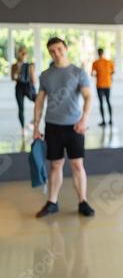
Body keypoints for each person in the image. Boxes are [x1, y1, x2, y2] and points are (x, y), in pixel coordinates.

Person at [33, 37, 95, 218]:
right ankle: (52, 202)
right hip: (53, 126)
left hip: (75, 126)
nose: (56, 53)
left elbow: (88, 97)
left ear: (66, 49)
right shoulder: (45, 75)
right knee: (55, 165)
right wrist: (36, 126)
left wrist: (84, 120)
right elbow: (39, 101)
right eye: (52, 51)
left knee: (77, 164)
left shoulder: (78, 72)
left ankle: (83, 201)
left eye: (59, 49)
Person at [11, 46, 37, 135]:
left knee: (39, 103)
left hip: (28, 87)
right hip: (19, 87)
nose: (22, 55)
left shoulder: (30, 65)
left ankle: (32, 123)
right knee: (21, 108)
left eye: (23, 53)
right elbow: (13, 78)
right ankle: (23, 129)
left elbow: (33, 80)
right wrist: (17, 74)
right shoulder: (14, 66)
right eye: (21, 53)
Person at [91, 48, 114, 126]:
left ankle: (104, 121)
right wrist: (108, 75)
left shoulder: (95, 63)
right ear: (103, 53)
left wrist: (98, 74)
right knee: (108, 101)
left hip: (100, 85)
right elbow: (113, 71)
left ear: (98, 53)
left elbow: (92, 73)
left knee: (101, 103)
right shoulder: (109, 62)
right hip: (107, 84)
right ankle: (110, 120)